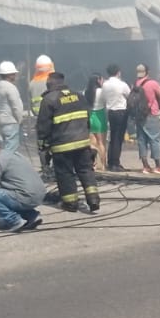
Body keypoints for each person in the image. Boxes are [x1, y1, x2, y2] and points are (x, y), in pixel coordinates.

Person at [36, 72, 100, 214]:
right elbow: (87, 118)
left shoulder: (48, 100)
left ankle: (70, 203)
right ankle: (93, 199)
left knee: (65, 174)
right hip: (82, 143)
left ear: (51, 83)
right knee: (85, 170)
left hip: (61, 145)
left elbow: (43, 127)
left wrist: (43, 146)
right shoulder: (79, 96)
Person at [0, 142, 44, 232]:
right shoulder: (15, 155)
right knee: (7, 194)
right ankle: (31, 215)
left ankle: (14, 220)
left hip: (25, 196)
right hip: (40, 195)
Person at [129, 64, 160, 175]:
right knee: (154, 140)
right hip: (151, 114)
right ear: (147, 71)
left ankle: (145, 166)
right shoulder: (152, 83)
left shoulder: (136, 84)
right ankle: (158, 166)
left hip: (139, 116)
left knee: (142, 141)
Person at [101, 64, 132, 172]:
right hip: (121, 112)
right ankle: (115, 163)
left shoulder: (105, 85)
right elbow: (130, 95)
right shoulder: (122, 84)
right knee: (118, 138)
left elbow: (104, 98)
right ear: (118, 72)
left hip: (111, 112)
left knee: (113, 138)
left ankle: (111, 162)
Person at [84, 73, 107, 169]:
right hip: (100, 116)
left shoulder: (86, 92)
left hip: (90, 116)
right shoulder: (101, 92)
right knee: (101, 142)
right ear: (98, 80)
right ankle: (103, 165)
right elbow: (106, 102)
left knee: (92, 143)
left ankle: (94, 163)